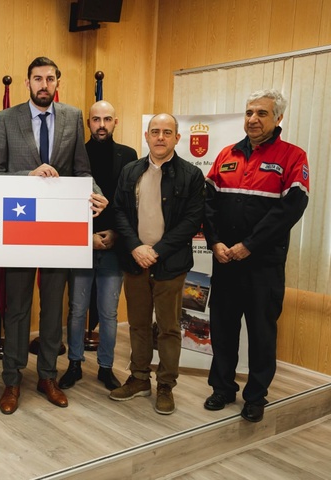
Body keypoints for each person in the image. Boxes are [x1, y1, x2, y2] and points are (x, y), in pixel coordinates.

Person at [0, 56, 108, 415]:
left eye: (50, 79)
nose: (44, 84)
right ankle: (11, 380)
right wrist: (28, 174)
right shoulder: (6, 119)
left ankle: (48, 376)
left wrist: (96, 192)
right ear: (27, 83)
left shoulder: (71, 117)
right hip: (19, 227)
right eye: (37, 78)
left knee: (54, 308)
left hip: (60, 229)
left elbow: (82, 172)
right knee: (18, 308)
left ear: (58, 82)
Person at [202, 89, 309, 423]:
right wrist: (215, 241)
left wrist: (250, 244)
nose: (253, 119)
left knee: (262, 333)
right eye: (249, 112)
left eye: (262, 113)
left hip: (263, 264)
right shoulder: (226, 154)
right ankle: (222, 388)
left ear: (278, 118)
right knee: (222, 328)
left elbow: (291, 208)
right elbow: (206, 204)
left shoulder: (293, 156)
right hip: (225, 262)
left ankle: (256, 395)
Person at [111, 113, 204, 415]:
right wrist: (137, 247)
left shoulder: (191, 175)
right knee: (138, 325)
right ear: (147, 136)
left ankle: (165, 384)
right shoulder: (130, 171)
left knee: (168, 328)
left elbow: (192, 220)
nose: (160, 137)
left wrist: (157, 251)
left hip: (170, 264)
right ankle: (139, 379)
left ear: (178, 138)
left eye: (167, 132)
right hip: (135, 261)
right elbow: (120, 213)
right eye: (155, 132)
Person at [59, 100, 137, 391]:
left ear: (116, 122)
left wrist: (116, 233)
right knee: (77, 310)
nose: (101, 124)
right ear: (87, 124)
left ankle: (105, 367)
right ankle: (75, 364)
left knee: (109, 312)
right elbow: (66, 202)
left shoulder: (129, 155)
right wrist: (85, 237)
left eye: (107, 119)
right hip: (81, 244)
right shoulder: (73, 156)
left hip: (114, 245)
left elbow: (131, 202)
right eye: (95, 119)